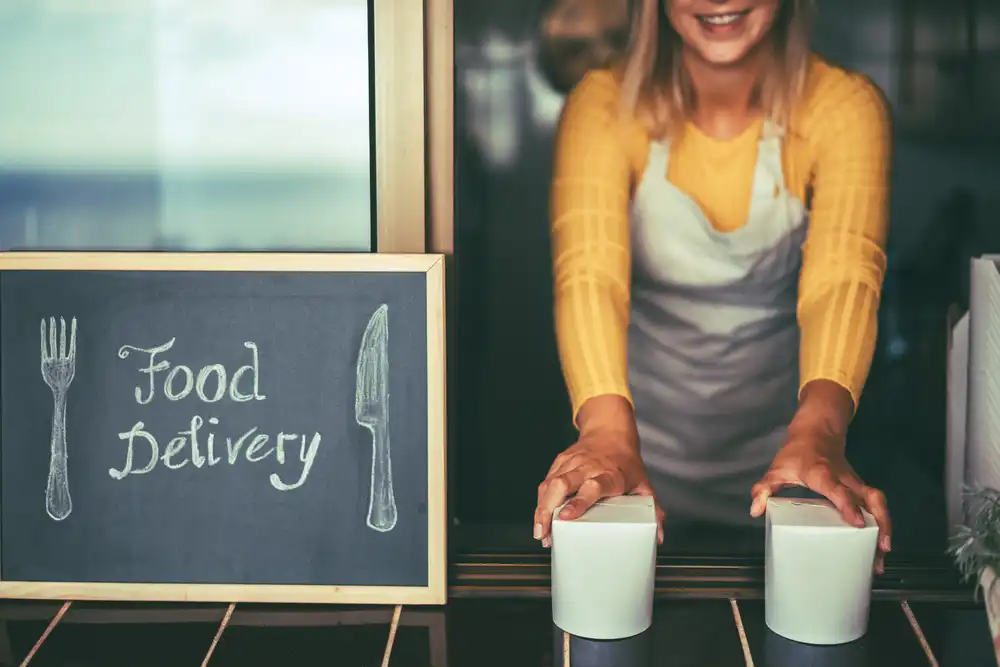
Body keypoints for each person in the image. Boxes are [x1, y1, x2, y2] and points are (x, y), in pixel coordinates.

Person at [534, 0, 893, 572]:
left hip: (793, 460)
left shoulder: (845, 107)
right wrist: (603, 431)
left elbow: (844, 278)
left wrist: (821, 432)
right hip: (630, 459)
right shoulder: (602, 104)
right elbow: (589, 275)